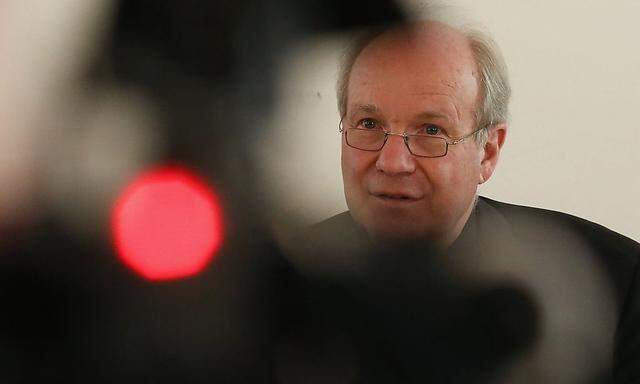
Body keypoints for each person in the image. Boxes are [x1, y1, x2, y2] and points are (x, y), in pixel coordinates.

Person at [294, 16, 640, 384]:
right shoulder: (274, 292)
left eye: (431, 130)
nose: (392, 161)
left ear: (488, 152)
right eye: (368, 124)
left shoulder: (616, 288)